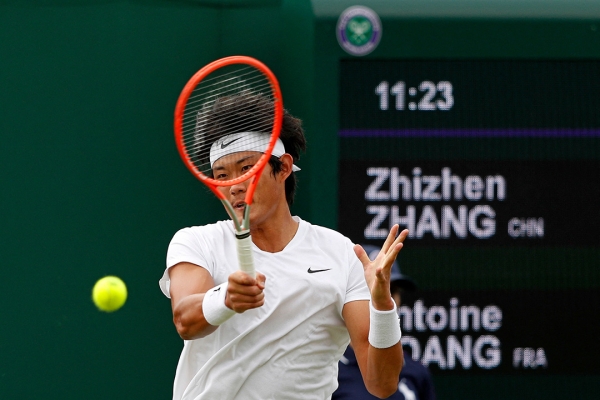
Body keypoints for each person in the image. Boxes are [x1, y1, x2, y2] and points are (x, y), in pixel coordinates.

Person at [159, 93, 409, 400]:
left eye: (246, 169)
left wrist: (383, 306)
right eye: (221, 176)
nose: (234, 184)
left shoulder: (340, 253)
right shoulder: (196, 242)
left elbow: (381, 384)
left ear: (284, 168)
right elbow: (185, 319)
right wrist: (226, 298)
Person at [332, 245, 436, 400]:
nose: (384, 299)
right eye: (373, 290)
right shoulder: (328, 369)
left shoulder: (416, 371)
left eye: (390, 291)